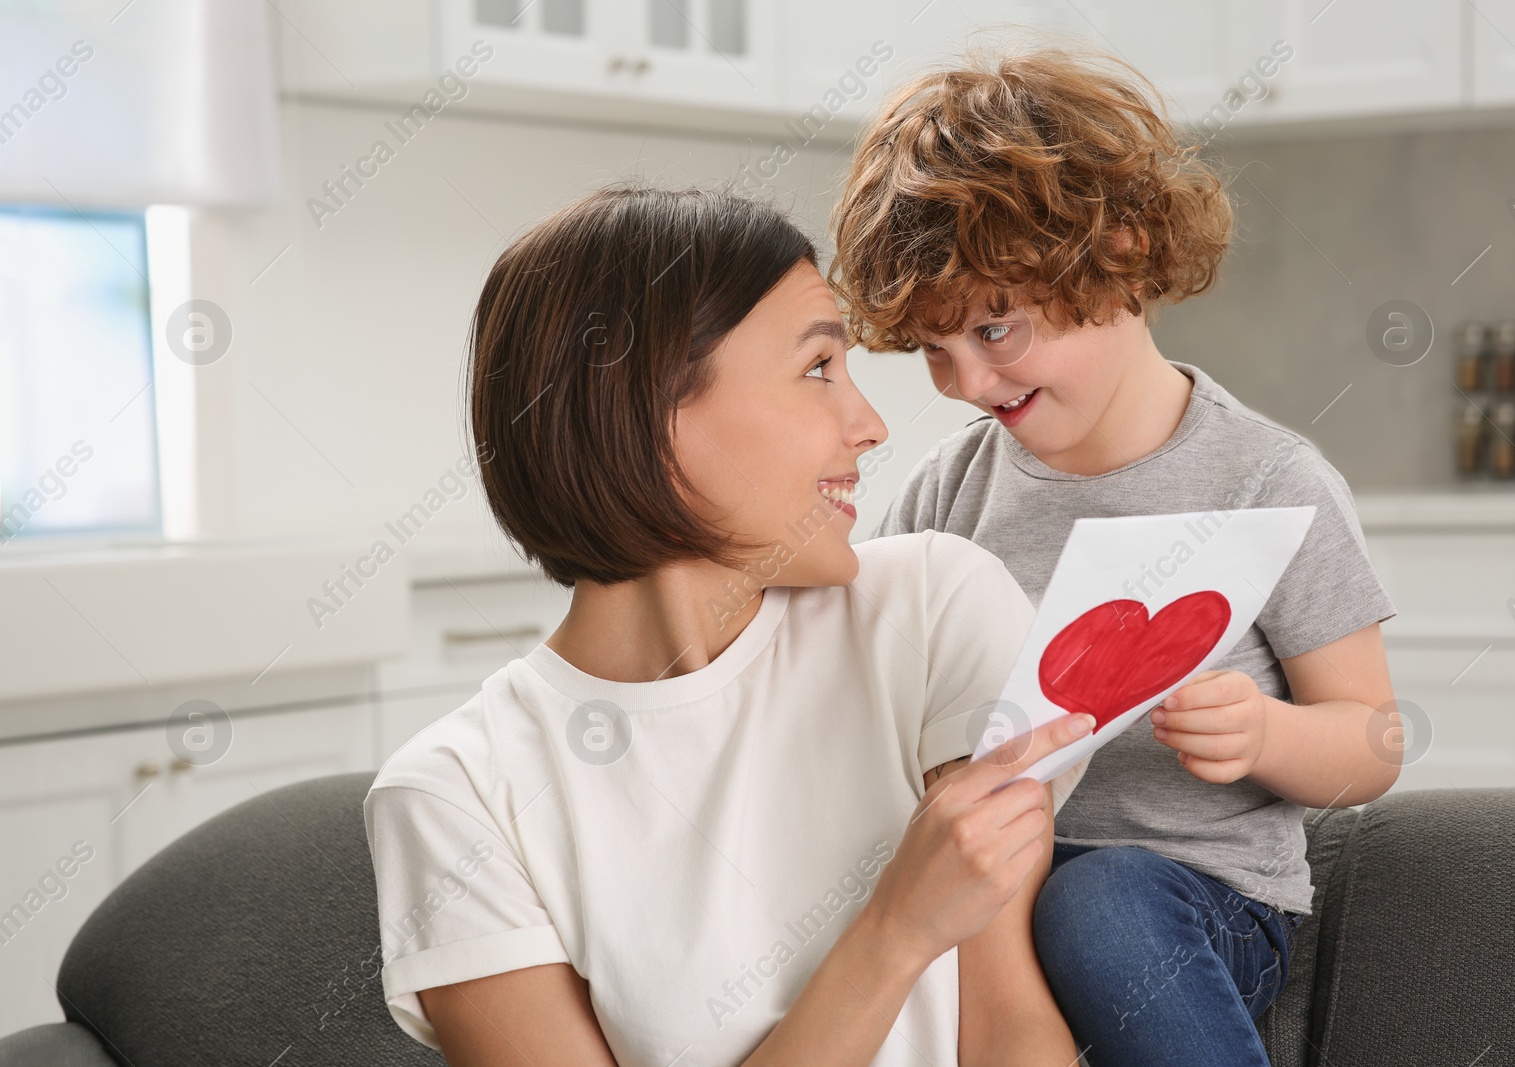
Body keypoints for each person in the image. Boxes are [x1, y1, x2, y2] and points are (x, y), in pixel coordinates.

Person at [362, 184, 1100, 1066]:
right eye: (818, 368)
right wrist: (893, 932)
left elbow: (1012, 1030)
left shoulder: (937, 607)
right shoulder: (457, 793)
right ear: (647, 410)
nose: (869, 425)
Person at [828, 47, 1402, 1067]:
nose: (966, 379)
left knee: (1093, 897)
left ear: (1120, 254)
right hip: (990, 892)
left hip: (1190, 899)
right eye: (933, 348)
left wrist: (1263, 732)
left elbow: (1371, 740)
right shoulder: (947, 490)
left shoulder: (1269, 478)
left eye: (994, 328)